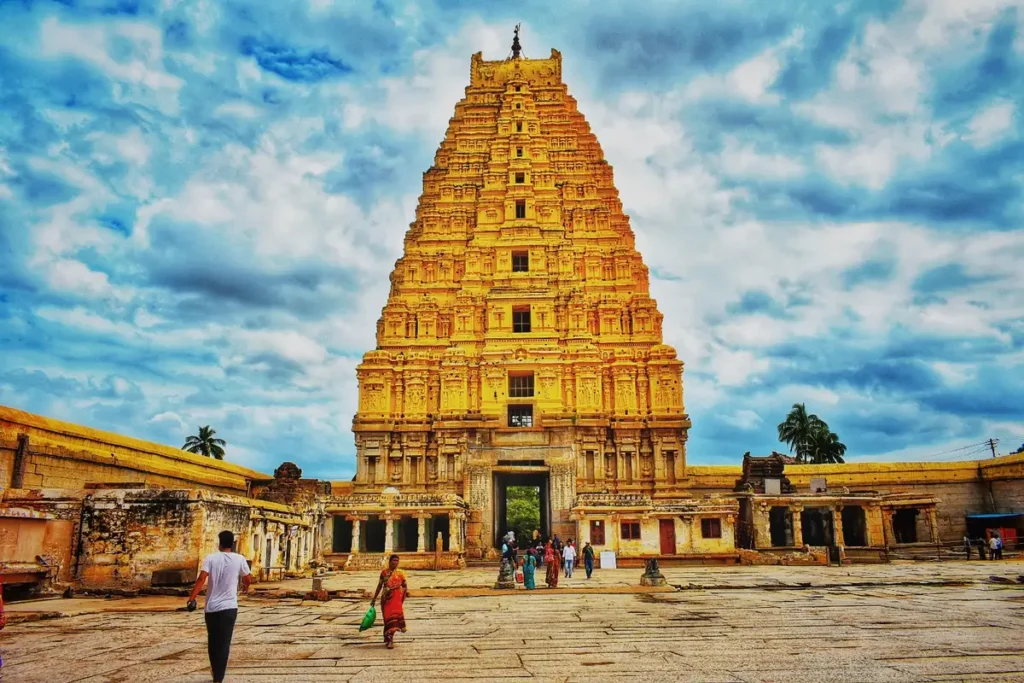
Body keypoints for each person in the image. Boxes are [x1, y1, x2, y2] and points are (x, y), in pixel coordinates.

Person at [187, 530, 252, 683]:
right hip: (230, 607)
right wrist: (246, 587)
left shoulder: (211, 558)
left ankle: (215, 669)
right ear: (233, 543)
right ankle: (218, 677)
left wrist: (192, 598)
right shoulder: (239, 559)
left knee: (213, 641)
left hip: (212, 608)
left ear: (220, 543)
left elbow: (201, 578)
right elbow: (248, 578)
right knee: (224, 642)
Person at [371, 555, 408, 649]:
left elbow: (405, 586)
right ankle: (388, 636)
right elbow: (379, 586)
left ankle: (390, 639)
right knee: (387, 619)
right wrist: (374, 598)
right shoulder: (384, 573)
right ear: (390, 561)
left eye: (397, 561)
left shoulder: (401, 573)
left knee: (394, 620)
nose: (395, 563)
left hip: (396, 600)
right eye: (394, 561)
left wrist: (402, 597)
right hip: (386, 600)